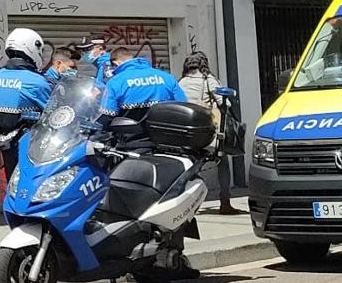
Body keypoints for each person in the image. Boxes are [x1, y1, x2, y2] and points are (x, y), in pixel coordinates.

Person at [179, 52, 243, 215]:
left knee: (192, 167)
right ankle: (225, 202)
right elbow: (225, 103)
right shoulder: (209, 80)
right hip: (208, 134)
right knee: (223, 163)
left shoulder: (180, 82)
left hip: (187, 135)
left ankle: (190, 204)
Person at [0, 28, 52, 178]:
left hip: (6, 140)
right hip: (32, 142)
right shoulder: (36, 81)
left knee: (12, 179)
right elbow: (53, 110)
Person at [100, 47, 187, 124]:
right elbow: (183, 107)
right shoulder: (167, 77)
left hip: (131, 138)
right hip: (165, 138)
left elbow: (107, 116)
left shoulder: (115, 82)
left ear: (116, 64)